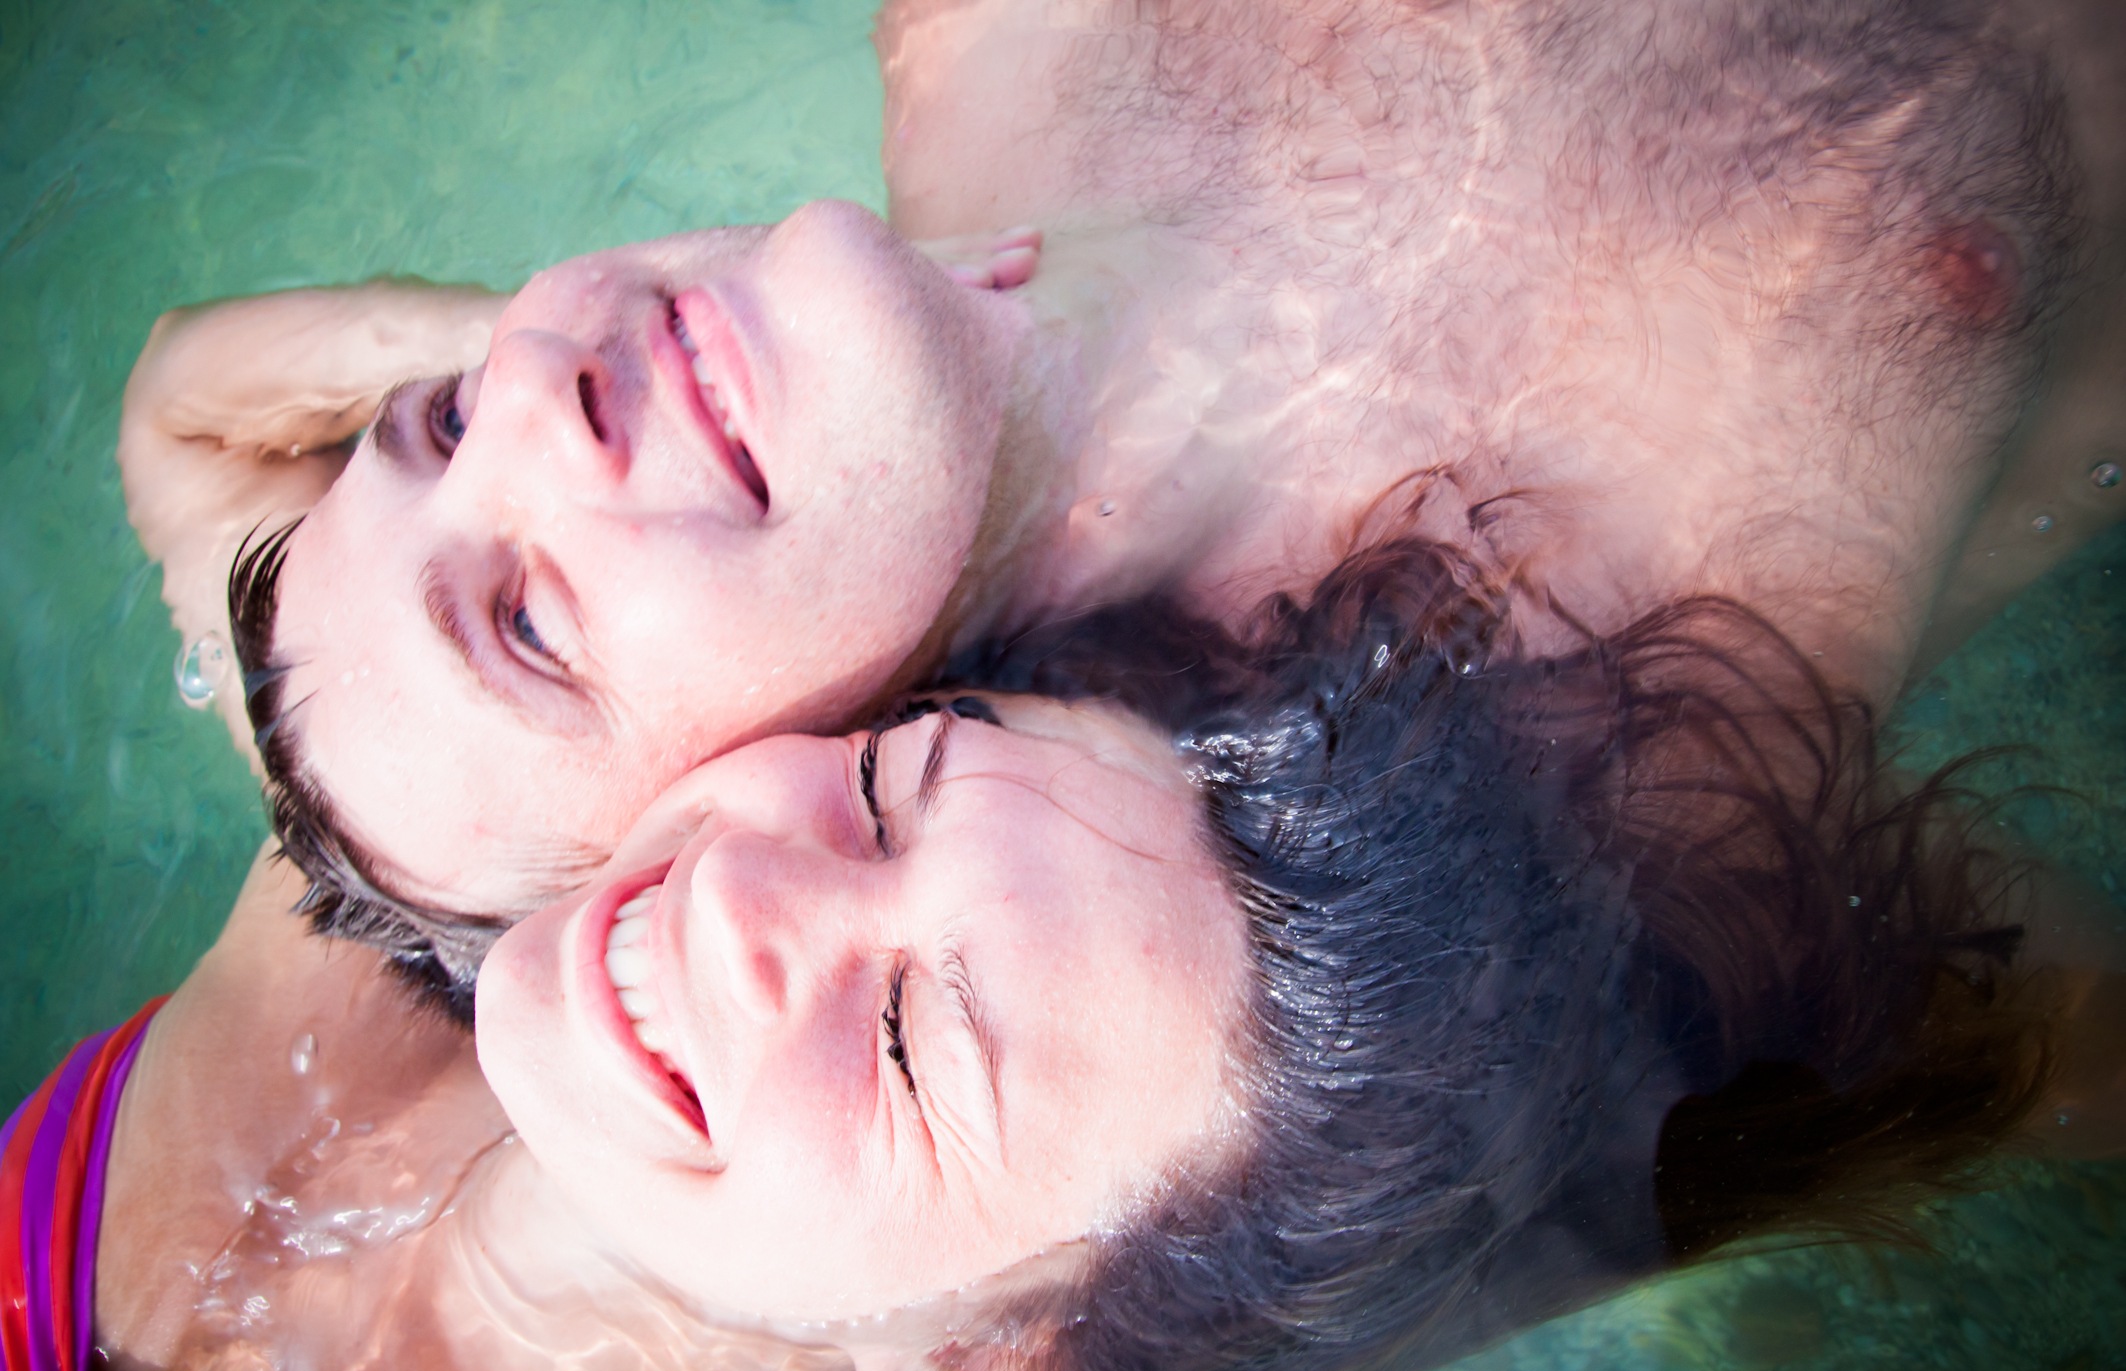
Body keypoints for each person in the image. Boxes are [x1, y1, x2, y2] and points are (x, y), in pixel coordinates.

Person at [119, 0, 2126, 996]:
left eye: (441, 420)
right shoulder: (1601, 742)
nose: (529, 399)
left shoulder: (992, 35)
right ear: (766, 790)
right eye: (530, 622)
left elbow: (179, 423)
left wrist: (567, 360)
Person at [13, 538, 2109, 1371]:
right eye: (881, 779)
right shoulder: (427, 869)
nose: (746, 899)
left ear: (969, 1356)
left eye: (910, 1042)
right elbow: (209, 428)